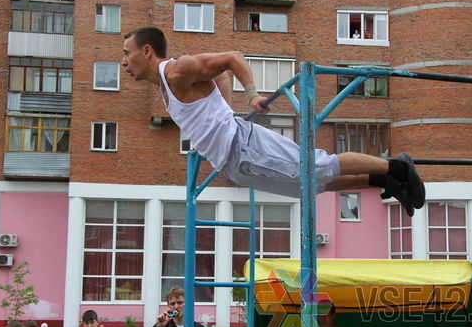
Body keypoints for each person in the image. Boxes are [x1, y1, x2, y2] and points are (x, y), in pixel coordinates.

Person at [121, 26, 425, 216]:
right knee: (310, 186)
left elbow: (232, 59)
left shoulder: (176, 71)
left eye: (126, 54)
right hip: (233, 164)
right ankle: (383, 180)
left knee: (316, 166)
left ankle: (399, 167)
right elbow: (222, 77)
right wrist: (222, 110)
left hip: (243, 146)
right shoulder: (163, 87)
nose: (123, 62)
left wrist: (252, 95)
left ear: (146, 51)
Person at [138, 287, 218, 327]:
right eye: (172, 304)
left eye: (180, 303)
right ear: (168, 306)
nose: (176, 307)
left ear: (186, 304)